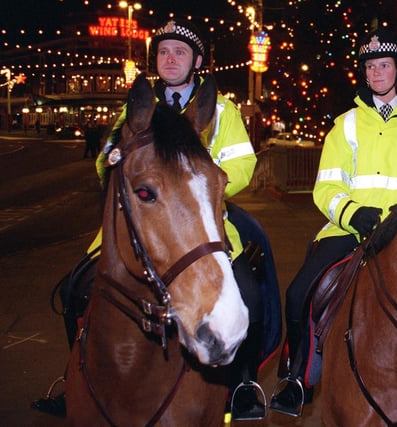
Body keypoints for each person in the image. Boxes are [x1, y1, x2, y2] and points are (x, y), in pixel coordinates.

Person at [33, 18, 272, 421]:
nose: (170, 58)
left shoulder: (223, 111)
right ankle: (75, 373)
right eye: (163, 52)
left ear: (196, 61)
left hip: (202, 219)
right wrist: (113, 163)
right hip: (139, 221)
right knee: (77, 289)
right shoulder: (137, 109)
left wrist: (195, 189)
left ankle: (239, 383)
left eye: (179, 52)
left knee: (248, 286)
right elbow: (104, 162)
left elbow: (244, 163)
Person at [269, 26, 397, 416]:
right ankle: (299, 377)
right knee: (299, 294)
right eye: (370, 66)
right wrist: (353, 214)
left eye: (384, 65)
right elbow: (326, 186)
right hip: (349, 231)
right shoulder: (345, 125)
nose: (377, 72)